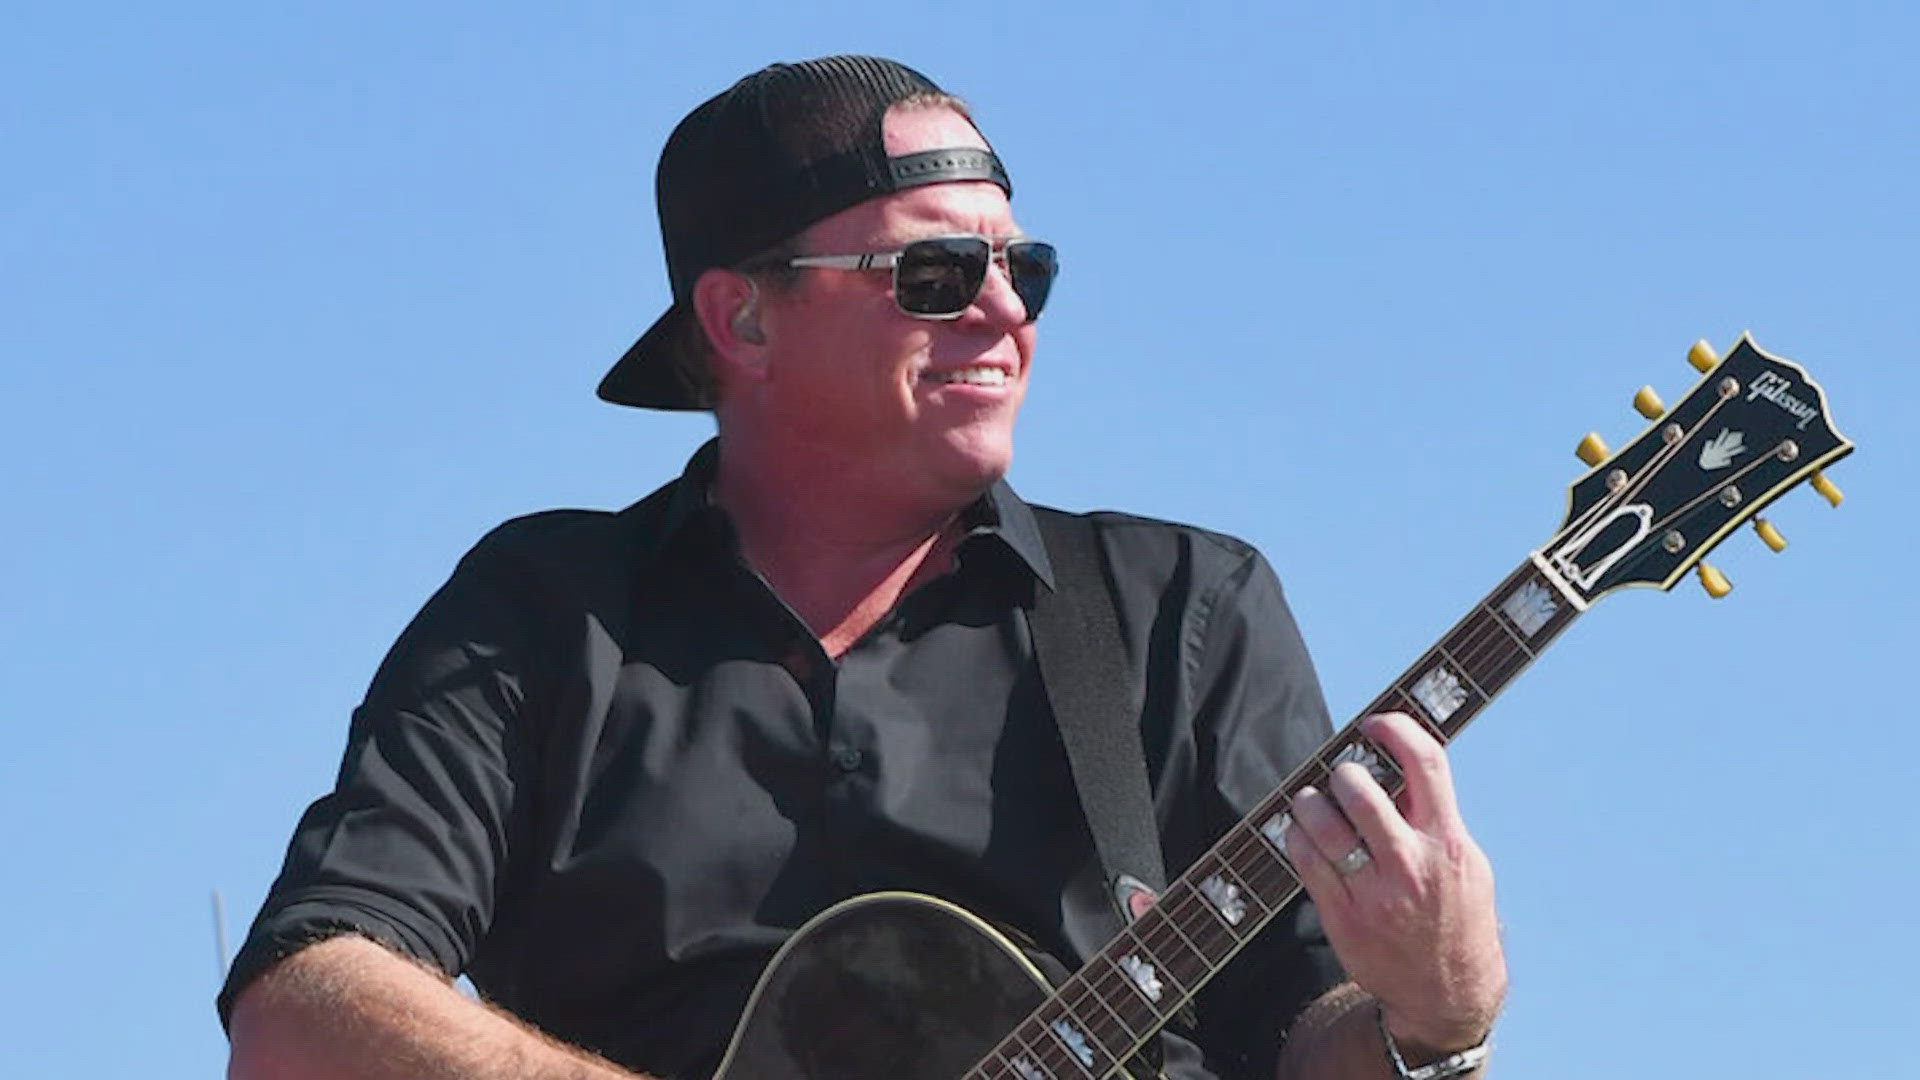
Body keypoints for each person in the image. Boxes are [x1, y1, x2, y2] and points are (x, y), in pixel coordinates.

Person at [220, 56, 1505, 1080]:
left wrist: (1436, 1018)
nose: (1004, 312)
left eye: (1025, 269)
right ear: (741, 317)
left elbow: (1304, 1041)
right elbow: (306, 997)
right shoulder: (543, 611)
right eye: (936, 274)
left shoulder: (1182, 611)